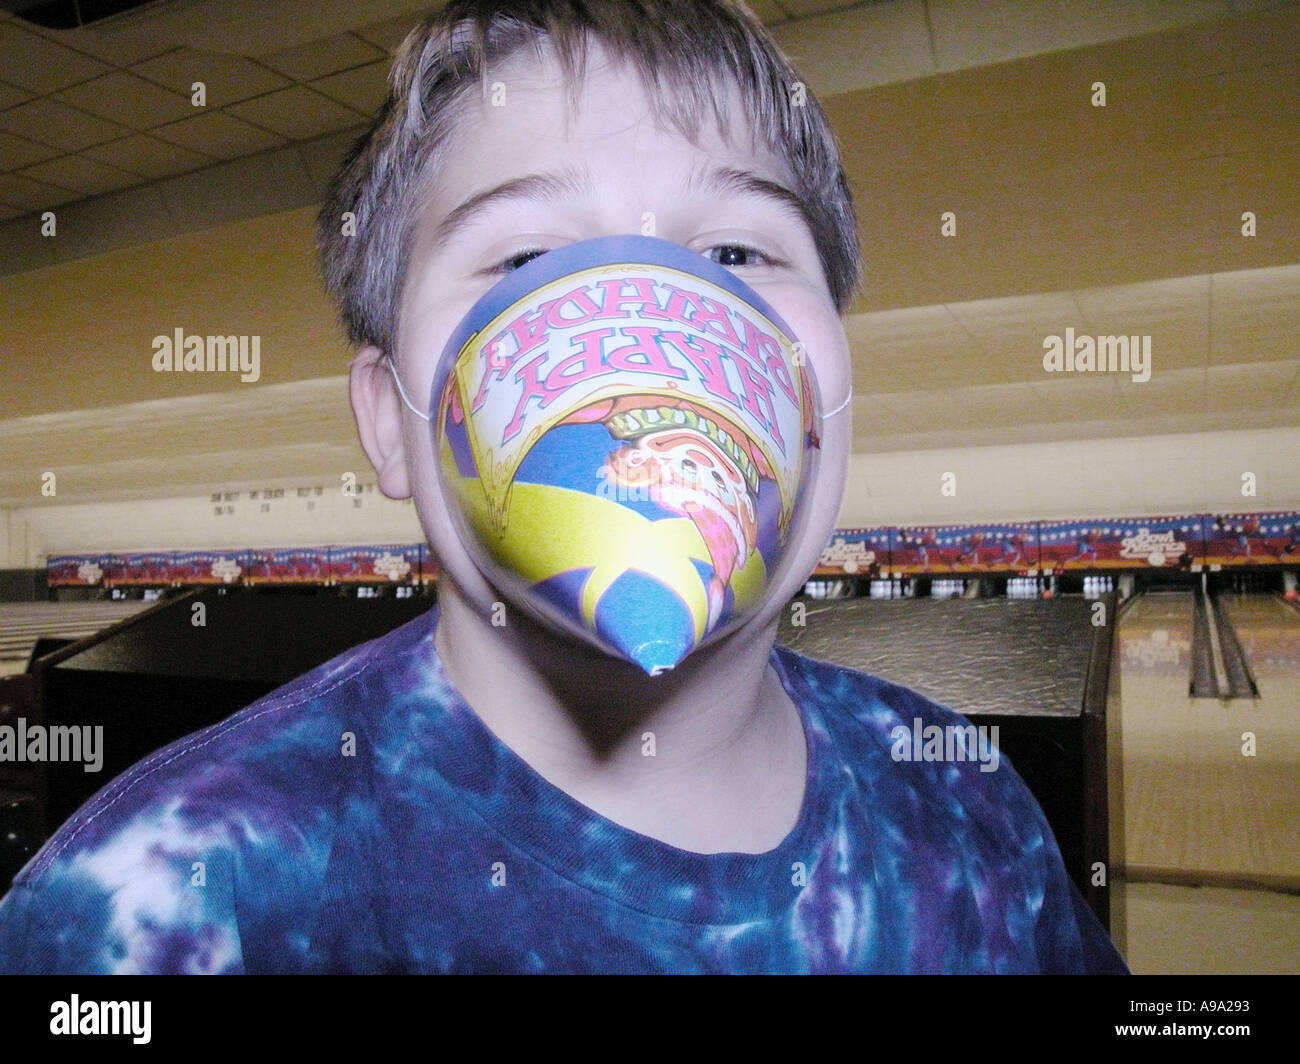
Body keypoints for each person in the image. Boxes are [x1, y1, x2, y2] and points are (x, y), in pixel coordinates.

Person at [0, 0, 1125, 974]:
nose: (647, 321)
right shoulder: (160, 902)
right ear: (391, 420)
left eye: (736, 254)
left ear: (836, 378)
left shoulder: (963, 803)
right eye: (525, 260)